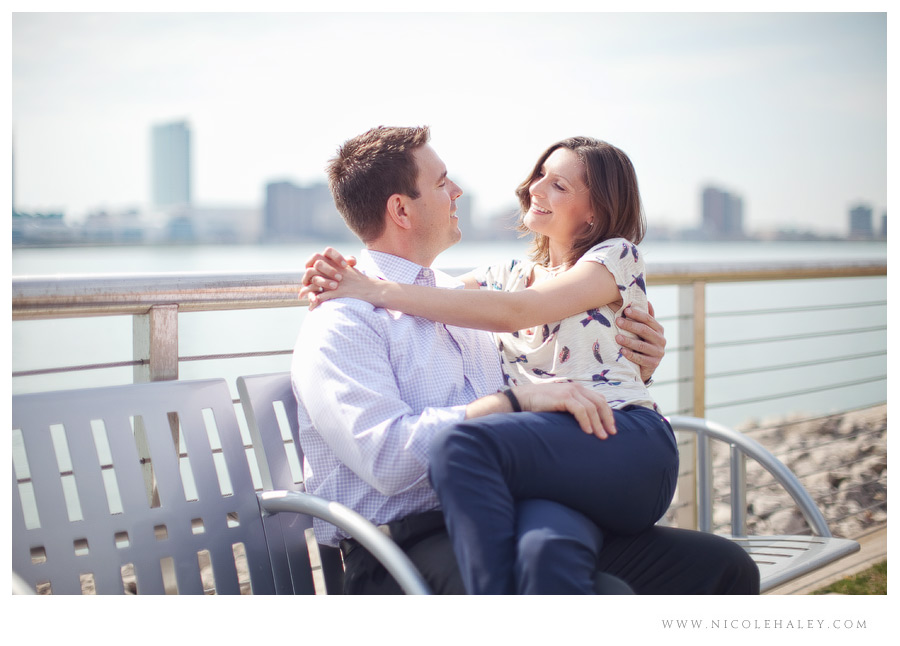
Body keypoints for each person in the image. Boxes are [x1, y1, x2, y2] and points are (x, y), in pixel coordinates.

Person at [292, 125, 759, 595]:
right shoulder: (345, 323)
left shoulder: (461, 301)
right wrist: (513, 402)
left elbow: (539, 329)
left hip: (511, 505)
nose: (458, 191)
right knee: (602, 595)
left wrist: (637, 359)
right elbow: (390, 462)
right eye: (441, 182)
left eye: (558, 183)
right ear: (400, 208)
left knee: (723, 567)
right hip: (406, 546)